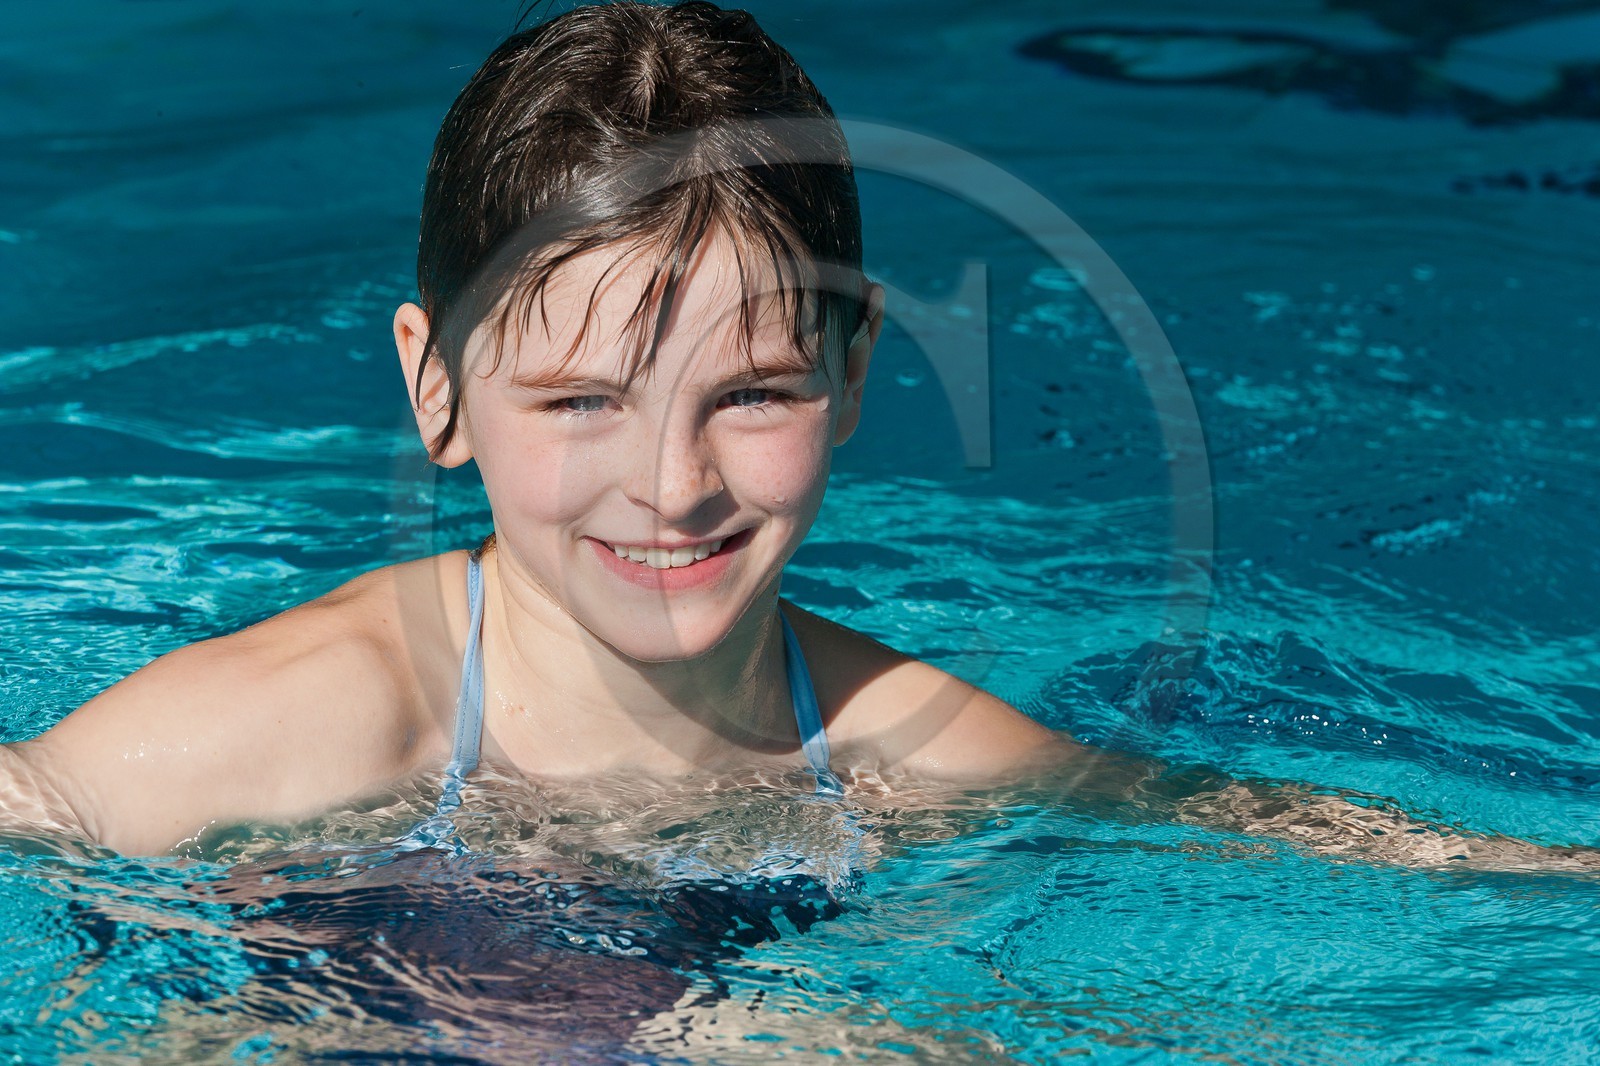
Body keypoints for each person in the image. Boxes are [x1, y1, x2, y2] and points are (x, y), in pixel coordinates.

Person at [0, 0, 1082, 860]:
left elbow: (1241, 850)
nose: (671, 484)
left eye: (751, 394)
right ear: (437, 387)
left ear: (849, 372)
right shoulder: (295, 728)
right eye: (580, 401)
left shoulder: (918, 747)